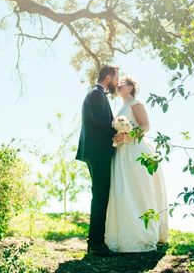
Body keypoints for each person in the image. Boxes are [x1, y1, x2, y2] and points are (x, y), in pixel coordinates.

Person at [105, 74, 169, 253]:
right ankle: (124, 235)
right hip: (122, 153)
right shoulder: (120, 108)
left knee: (138, 190)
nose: (118, 86)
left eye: (122, 84)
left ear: (131, 87)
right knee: (123, 191)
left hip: (135, 151)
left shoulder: (136, 104)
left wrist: (127, 135)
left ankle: (143, 234)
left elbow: (145, 126)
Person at [76, 64, 122, 256]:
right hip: (98, 153)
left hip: (96, 152)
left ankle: (94, 242)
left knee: (100, 196)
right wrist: (120, 131)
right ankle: (96, 244)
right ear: (109, 78)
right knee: (100, 197)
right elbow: (102, 123)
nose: (118, 82)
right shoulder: (96, 94)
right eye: (117, 78)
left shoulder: (97, 94)